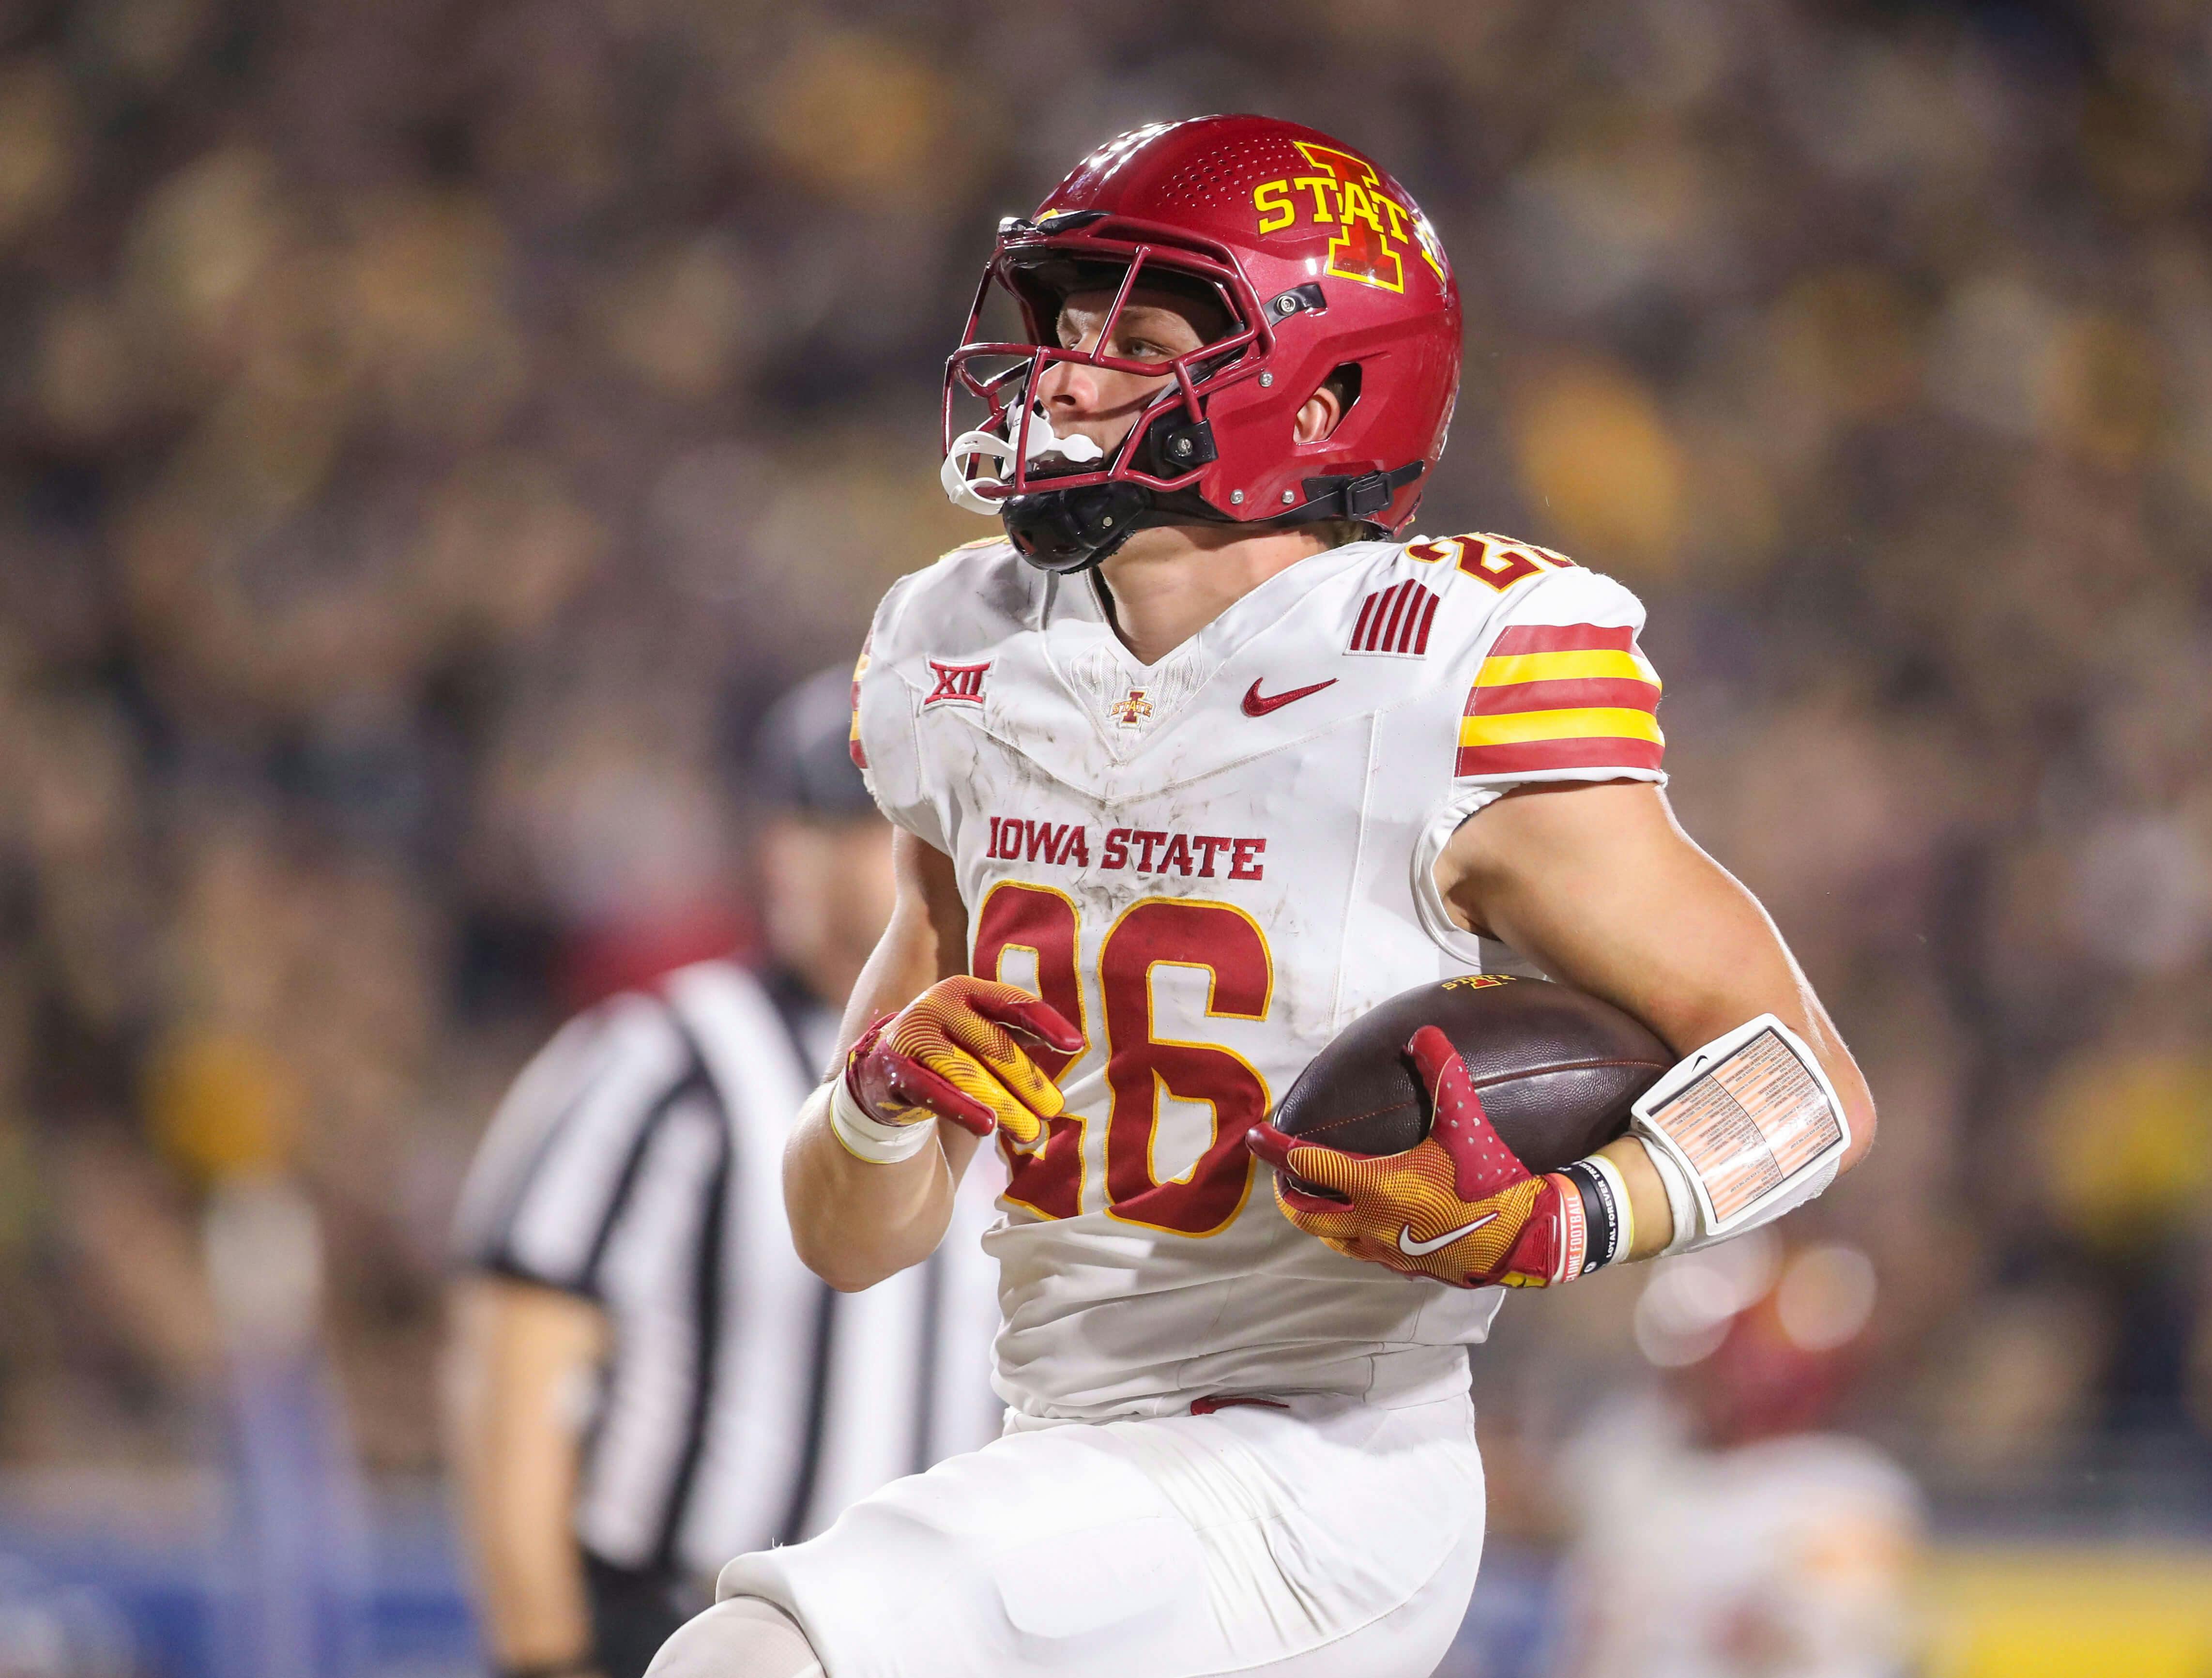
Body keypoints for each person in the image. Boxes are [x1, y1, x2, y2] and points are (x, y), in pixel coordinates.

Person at [650, 114, 1877, 1678]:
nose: (1068, 371)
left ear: (1324, 385)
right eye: (1067, 321)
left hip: (1319, 1474)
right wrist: (883, 1100)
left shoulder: (1440, 671)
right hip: (1069, 1450)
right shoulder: (960, 656)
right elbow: (844, 1236)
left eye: (1140, 333)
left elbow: (1805, 1081)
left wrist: (1567, 1215)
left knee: (759, 1653)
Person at [444, 668, 1004, 1678]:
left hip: (935, 1637)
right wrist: (540, 1651)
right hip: (678, 1624)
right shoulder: (657, 1060)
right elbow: (517, 1362)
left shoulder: (1024, 1067)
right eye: (835, 824)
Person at [1559, 1239, 1922, 1678]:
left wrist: (1776, 1622)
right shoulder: (1628, 1453)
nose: (1736, 1382)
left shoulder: (1847, 1488)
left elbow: (1842, 1633)